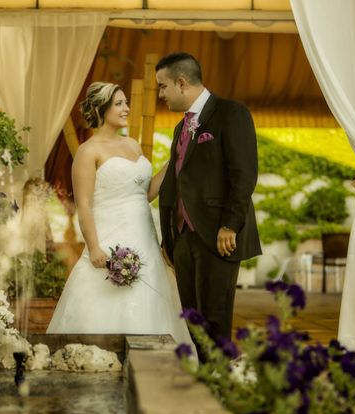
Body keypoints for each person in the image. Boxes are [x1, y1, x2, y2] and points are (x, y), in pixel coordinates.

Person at [47, 82, 193, 346]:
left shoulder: (133, 146)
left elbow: (145, 193)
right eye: (119, 104)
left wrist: (174, 159)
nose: (127, 108)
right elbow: (84, 204)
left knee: (150, 300)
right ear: (100, 108)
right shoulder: (87, 151)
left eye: (126, 102)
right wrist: (93, 247)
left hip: (143, 236)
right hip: (109, 238)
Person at [155, 52, 261, 343]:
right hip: (183, 239)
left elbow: (244, 174)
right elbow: (176, 182)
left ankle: (219, 383)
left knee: (215, 321)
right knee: (193, 321)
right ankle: (204, 381)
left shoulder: (231, 113)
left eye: (163, 86)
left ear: (181, 82)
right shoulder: (180, 128)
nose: (160, 94)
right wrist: (169, 238)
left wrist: (230, 224)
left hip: (218, 235)